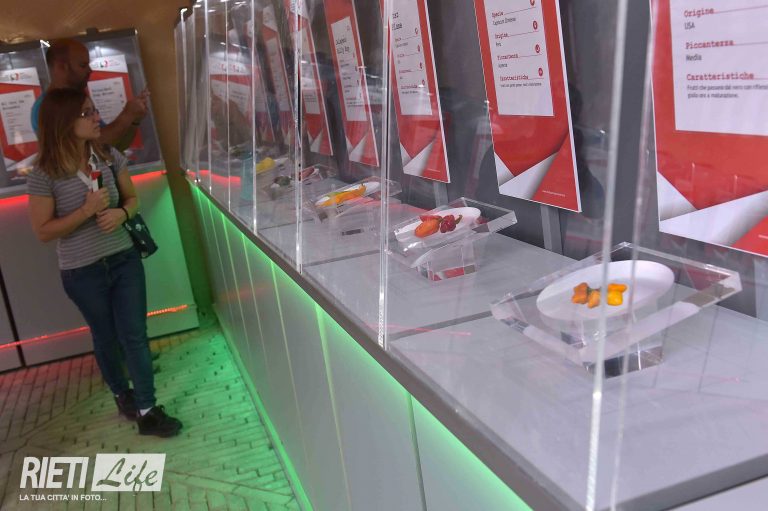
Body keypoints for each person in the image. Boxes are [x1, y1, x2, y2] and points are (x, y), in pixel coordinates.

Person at [26, 88, 182, 437]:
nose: (97, 117)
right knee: (106, 337)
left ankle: (147, 409)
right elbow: (43, 231)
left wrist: (121, 213)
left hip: (124, 259)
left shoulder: (108, 156)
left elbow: (132, 199)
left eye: (94, 110)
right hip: (82, 273)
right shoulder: (44, 173)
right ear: (64, 121)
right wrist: (85, 211)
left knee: (135, 335)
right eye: (87, 113)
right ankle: (122, 394)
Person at [31, 38, 149, 149]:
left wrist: (134, 120)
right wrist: (127, 114)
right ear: (61, 67)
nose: (90, 70)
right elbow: (94, 145)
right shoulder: (46, 107)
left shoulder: (82, 99)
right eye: (83, 65)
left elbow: (114, 147)